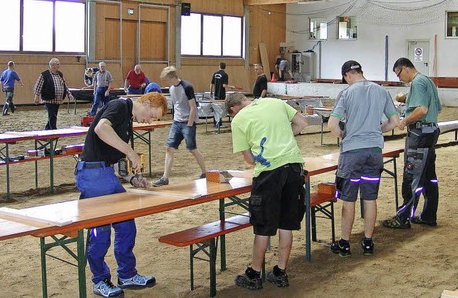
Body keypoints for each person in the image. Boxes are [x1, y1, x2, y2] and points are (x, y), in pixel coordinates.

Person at [76, 92, 166, 298]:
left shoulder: (127, 120)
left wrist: (133, 179)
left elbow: (114, 157)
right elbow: (101, 129)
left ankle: (126, 274)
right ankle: (100, 280)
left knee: (126, 225)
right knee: (100, 232)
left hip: (106, 174)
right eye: (153, 115)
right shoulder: (119, 106)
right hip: (93, 174)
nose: (150, 120)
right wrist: (130, 152)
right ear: (146, 102)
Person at [225, 93, 308, 291]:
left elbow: (249, 158)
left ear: (233, 109)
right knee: (286, 223)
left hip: (269, 173)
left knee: (263, 225)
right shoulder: (275, 102)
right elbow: (302, 123)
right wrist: (285, 137)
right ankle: (280, 272)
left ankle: (254, 274)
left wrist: (263, 153)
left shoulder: (238, 121)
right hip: (294, 167)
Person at [328, 60, 400, 256]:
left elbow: (332, 123)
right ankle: (368, 241)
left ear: (346, 76)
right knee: (370, 198)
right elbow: (395, 121)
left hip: (352, 152)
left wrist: (344, 135)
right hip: (374, 152)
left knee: (348, 199)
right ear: (361, 72)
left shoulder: (346, 93)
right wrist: (378, 130)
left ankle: (345, 243)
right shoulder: (381, 91)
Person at [383, 57, 442, 229]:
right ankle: (429, 215)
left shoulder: (417, 83)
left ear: (405, 68)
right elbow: (436, 107)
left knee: (412, 176)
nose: (399, 78)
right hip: (431, 132)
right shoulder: (427, 81)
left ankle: (403, 218)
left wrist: (404, 121)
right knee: (429, 176)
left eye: (399, 74)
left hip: (420, 133)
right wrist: (406, 99)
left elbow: (422, 110)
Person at [152, 66, 207, 186]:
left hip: (187, 122)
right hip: (176, 122)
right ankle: (165, 177)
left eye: (167, 79)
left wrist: (190, 123)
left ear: (172, 77)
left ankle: (204, 172)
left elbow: (193, 107)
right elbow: (177, 105)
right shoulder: (172, 89)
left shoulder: (187, 87)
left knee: (192, 149)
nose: (166, 82)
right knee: (169, 147)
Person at [33, 57, 73, 130]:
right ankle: (53, 130)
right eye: (58, 64)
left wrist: (69, 94)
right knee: (52, 115)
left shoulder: (60, 74)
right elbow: (38, 85)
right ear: (52, 65)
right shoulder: (44, 75)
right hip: (49, 99)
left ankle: (47, 130)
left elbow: (64, 85)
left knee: (53, 115)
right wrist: (36, 96)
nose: (59, 66)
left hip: (58, 100)